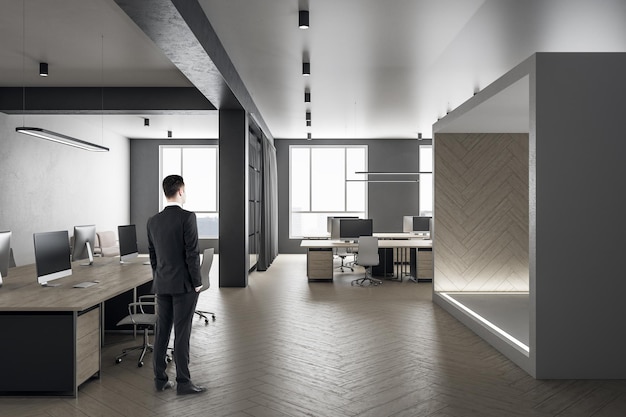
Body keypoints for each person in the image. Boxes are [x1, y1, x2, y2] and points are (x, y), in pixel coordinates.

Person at [147, 174, 207, 395]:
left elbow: (153, 257)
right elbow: (192, 253)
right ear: (181, 191)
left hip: (162, 284)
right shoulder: (187, 217)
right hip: (183, 286)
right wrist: (197, 282)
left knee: (162, 331)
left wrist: (159, 276)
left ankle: (160, 379)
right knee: (182, 333)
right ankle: (183, 382)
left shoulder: (152, 221)